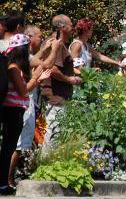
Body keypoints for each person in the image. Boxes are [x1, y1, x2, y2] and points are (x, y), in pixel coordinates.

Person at [8, 26, 58, 188]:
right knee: (18, 145)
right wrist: (54, 49)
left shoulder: (23, 59)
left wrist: (45, 49)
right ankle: (7, 180)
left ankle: (8, 180)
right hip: (22, 105)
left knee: (19, 144)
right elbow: (45, 65)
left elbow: (38, 61)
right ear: (29, 38)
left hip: (26, 104)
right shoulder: (18, 63)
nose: (42, 39)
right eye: (40, 37)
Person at [40, 14, 81, 149]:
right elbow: (52, 68)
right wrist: (69, 79)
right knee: (53, 135)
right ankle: (45, 165)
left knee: (56, 135)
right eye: (71, 25)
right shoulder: (55, 44)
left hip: (58, 97)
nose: (73, 28)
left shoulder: (58, 44)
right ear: (62, 27)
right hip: (55, 97)